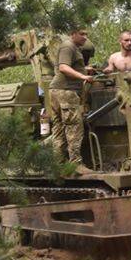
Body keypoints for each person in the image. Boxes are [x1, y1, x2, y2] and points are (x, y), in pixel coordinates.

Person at [48, 29, 95, 174]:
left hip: (57, 91)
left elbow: (68, 66)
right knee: (74, 127)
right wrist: (83, 77)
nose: (85, 37)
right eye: (82, 34)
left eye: (87, 34)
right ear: (72, 33)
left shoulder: (72, 47)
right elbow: (63, 67)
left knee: (59, 129)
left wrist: (86, 69)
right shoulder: (68, 46)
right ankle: (75, 165)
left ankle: (58, 164)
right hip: (66, 92)